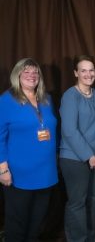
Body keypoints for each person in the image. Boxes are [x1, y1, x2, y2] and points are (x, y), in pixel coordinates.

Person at [0, 58, 58, 242]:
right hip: (18, 175)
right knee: (17, 224)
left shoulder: (46, 99)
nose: (32, 76)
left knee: (37, 222)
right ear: (17, 75)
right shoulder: (6, 101)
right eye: (26, 72)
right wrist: (3, 169)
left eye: (35, 72)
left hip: (46, 172)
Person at [59, 55, 95, 242]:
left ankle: (90, 238)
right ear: (76, 73)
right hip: (74, 159)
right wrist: (89, 156)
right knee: (77, 203)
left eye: (91, 70)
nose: (88, 74)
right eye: (84, 70)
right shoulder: (70, 96)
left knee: (93, 200)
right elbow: (70, 131)